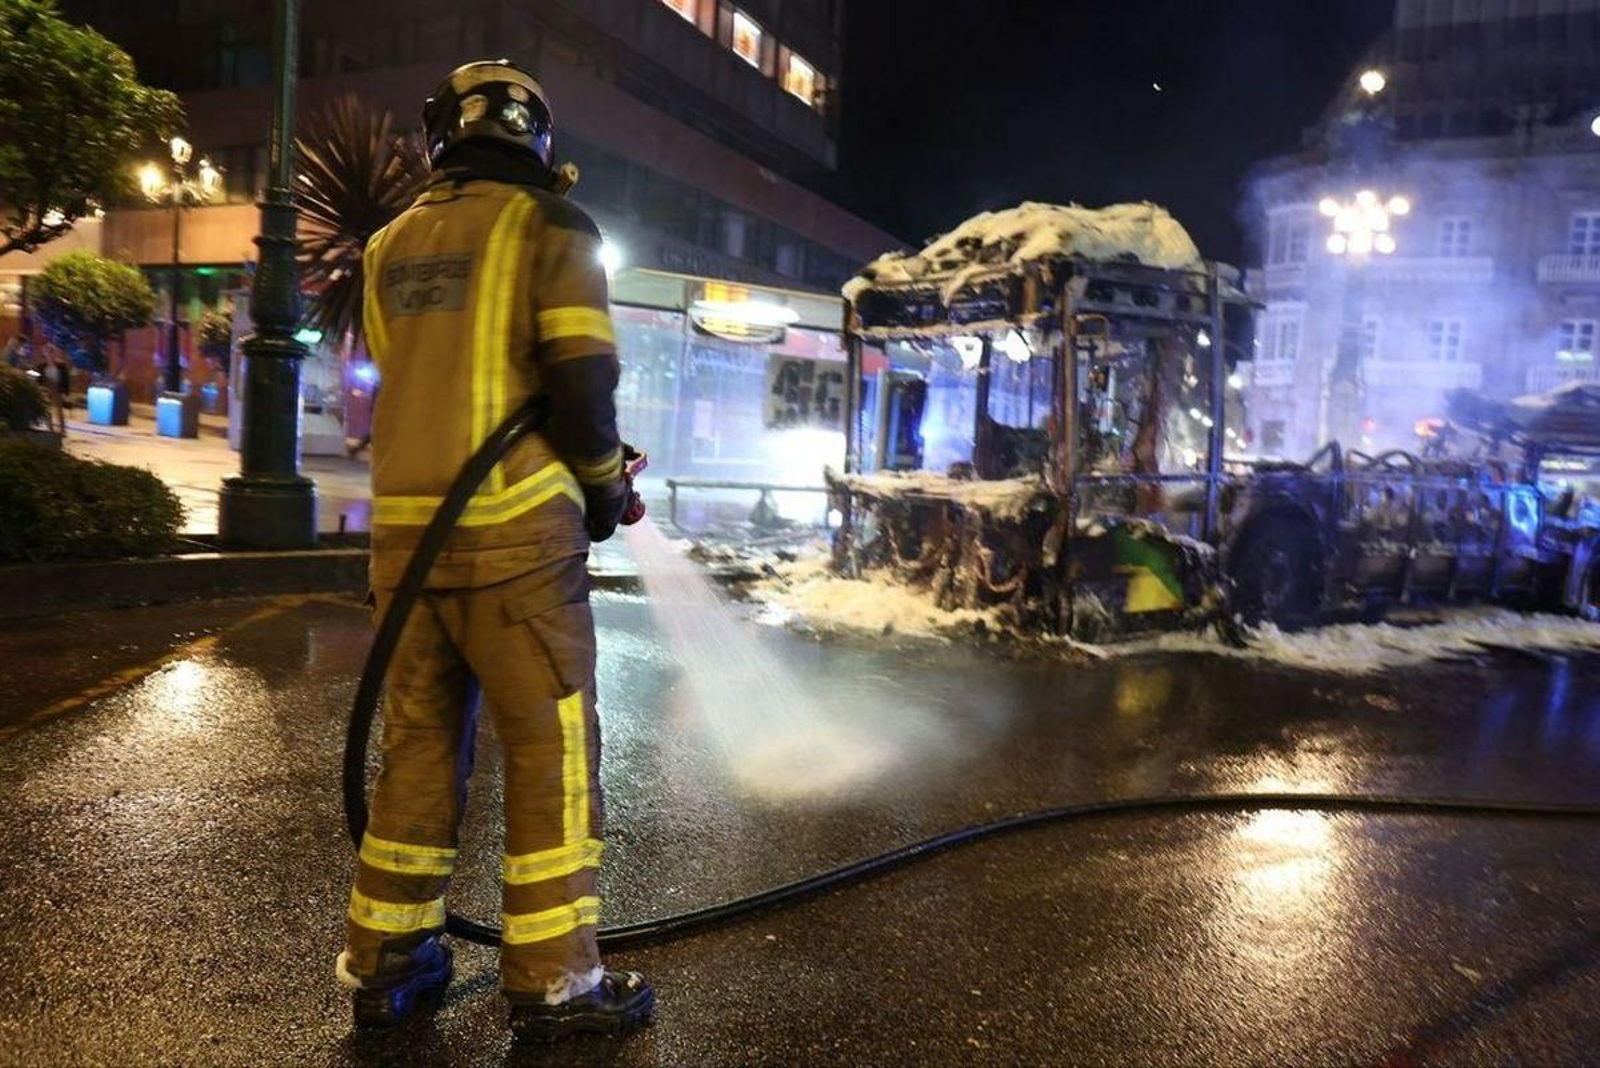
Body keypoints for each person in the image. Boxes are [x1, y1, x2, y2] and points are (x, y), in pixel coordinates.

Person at [335, 59, 652, 1042]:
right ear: (537, 142)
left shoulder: (385, 247)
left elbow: (412, 380)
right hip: (517, 547)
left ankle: (388, 964)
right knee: (549, 757)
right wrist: (605, 486)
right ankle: (555, 983)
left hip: (407, 549)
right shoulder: (553, 231)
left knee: (418, 753)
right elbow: (580, 382)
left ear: (443, 134)